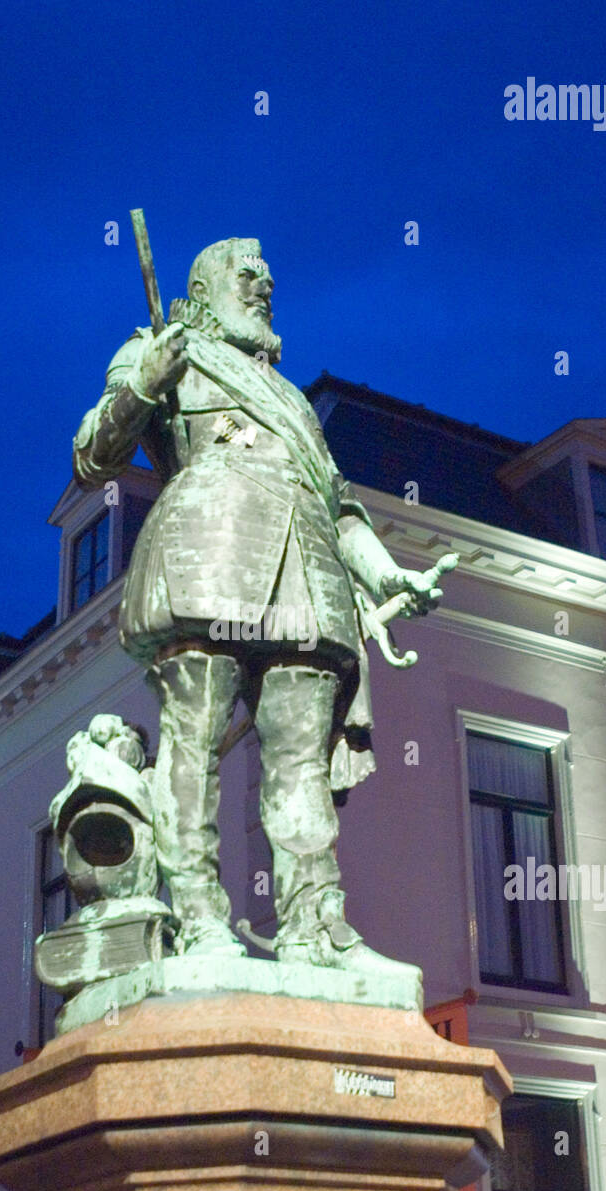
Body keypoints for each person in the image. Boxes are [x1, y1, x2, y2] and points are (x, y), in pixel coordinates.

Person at [72, 238, 446, 972]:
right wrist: (146, 380)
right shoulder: (158, 347)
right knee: (194, 739)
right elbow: (92, 455)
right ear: (204, 289)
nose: (265, 286)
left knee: (302, 758)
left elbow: (337, 504)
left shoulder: (294, 401)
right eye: (249, 277)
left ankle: (317, 927)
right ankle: (202, 919)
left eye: (270, 279)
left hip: (306, 578)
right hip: (205, 557)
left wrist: (387, 576)